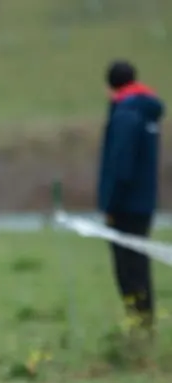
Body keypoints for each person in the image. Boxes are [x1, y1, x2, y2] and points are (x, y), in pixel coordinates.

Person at [98, 59, 164, 336]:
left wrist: (110, 204)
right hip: (144, 202)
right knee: (140, 263)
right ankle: (144, 321)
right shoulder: (148, 110)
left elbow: (120, 164)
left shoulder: (126, 113)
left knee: (128, 267)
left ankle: (139, 323)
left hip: (124, 206)